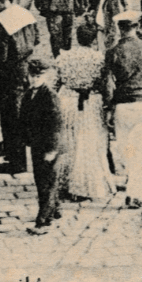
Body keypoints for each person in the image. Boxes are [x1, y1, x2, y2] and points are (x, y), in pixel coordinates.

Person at [105, 9, 142, 210]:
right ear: (137, 26)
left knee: (127, 149)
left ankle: (133, 189)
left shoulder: (112, 52)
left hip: (123, 106)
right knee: (141, 150)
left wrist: (110, 107)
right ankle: (134, 192)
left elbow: (108, 85)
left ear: (120, 28)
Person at [0, 0, 40, 174]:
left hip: (10, 72)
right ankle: (22, 158)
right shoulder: (24, 13)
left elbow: (1, 54)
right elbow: (37, 39)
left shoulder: (1, 21)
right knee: (23, 114)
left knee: (10, 116)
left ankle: (16, 162)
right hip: (27, 68)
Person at [55, 28, 114, 202]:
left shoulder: (64, 57)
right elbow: (106, 84)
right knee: (90, 143)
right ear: (94, 40)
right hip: (91, 102)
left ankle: (66, 184)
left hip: (68, 101)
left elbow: (57, 81)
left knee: (70, 142)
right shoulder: (99, 59)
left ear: (76, 38)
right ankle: (88, 184)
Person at [21, 58, 69, 234]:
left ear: (46, 76)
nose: (34, 79)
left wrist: (52, 150)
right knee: (42, 180)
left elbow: (57, 126)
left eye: (38, 76)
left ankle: (43, 222)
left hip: (50, 146)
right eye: (32, 76)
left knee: (46, 184)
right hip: (36, 144)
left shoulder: (50, 96)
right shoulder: (28, 94)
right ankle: (55, 210)